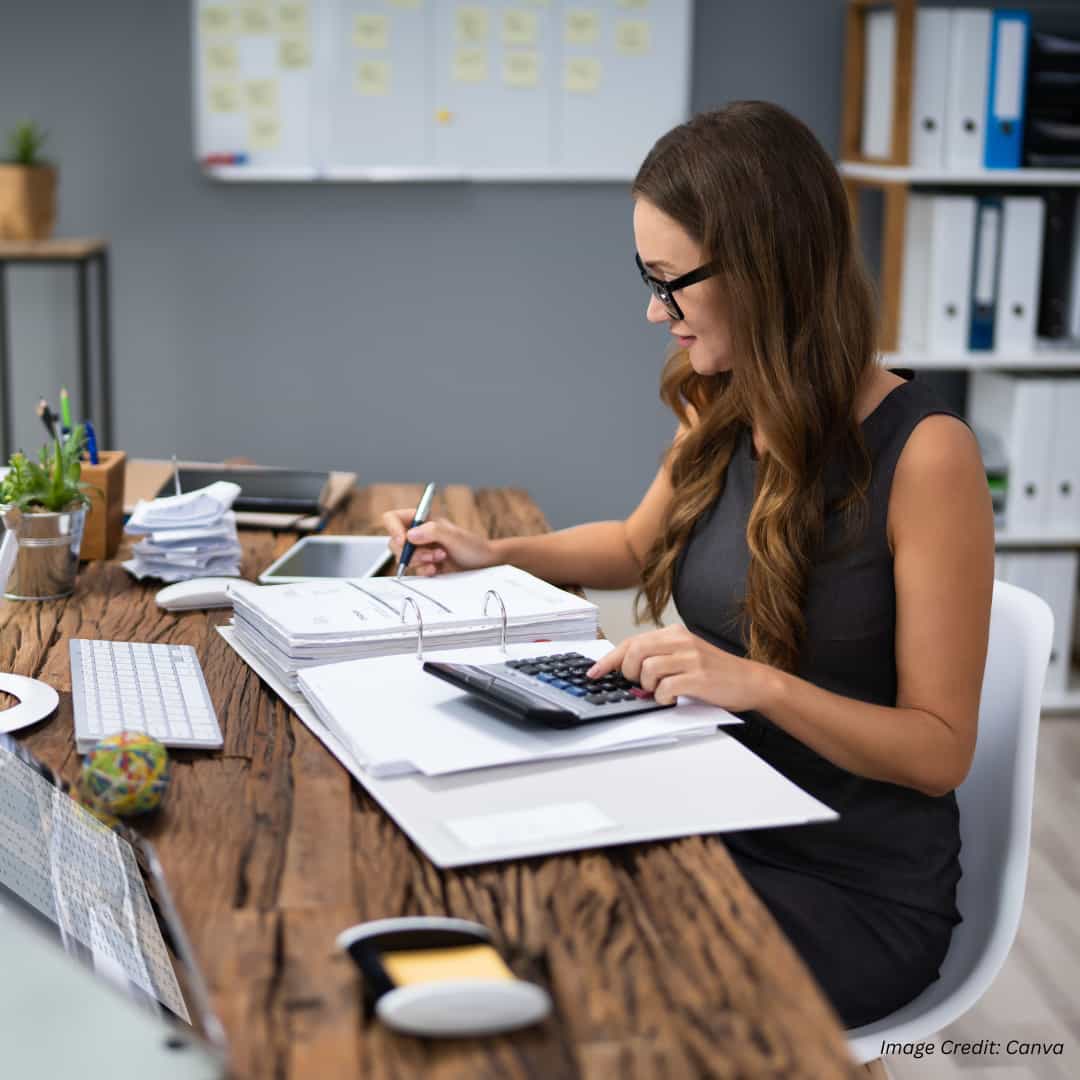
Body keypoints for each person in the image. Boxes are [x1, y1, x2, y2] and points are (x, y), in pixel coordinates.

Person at [382, 101, 994, 1029]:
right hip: (710, 810)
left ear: (766, 270)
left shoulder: (928, 455)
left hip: (847, 884)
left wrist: (760, 685)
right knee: (490, 895)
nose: (653, 311)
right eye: (649, 279)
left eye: (670, 283)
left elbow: (939, 751)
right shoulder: (725, 399)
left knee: (576, 980)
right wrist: (495, 552)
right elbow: (636, 546)